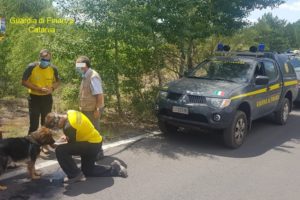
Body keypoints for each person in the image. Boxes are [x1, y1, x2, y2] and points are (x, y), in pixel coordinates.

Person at [45, 110, 127, 183]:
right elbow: (77, 130)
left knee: (60, 150)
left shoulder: (68, 127)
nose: (58, 129)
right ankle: (116, 169)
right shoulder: (70, 112)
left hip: (90, 145)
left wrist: (59, 143)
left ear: (58, 122)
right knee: (88, 170)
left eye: (56, 128)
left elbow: (71, 145)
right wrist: (67, 137)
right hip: (95, 140)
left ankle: (75, 175)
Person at [22, 49, 60, 153]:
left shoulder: (53, 68)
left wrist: (52, 88)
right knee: (34, 123)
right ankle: (29, 145)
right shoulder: (31, 67)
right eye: (43, 59)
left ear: (50, 59)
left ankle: (45, 145)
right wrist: (37, 88)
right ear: (40, 58)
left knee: (46, 122)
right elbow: (24, 81)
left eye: (48, 60)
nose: (45, 62)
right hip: (34, 98)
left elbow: (58, 82)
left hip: (47, 98)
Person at [75, 56, 104, 159]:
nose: (77, 68)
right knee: (87, 130)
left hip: (93, 109)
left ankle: (99, 152)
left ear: (85, 66)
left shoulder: (93, 76)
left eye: (78, 66)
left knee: (95, 131)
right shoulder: (85, 76)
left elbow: (99, 95)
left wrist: (97, 109)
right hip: (86, 109)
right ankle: (90, 151)